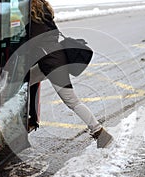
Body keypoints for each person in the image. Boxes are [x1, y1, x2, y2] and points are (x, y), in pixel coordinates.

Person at [26, 0, 112, 148]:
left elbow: (30, 42)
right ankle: (30, 120)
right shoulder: (44, 12)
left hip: (52, 65)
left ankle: (99, 132)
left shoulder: (34, 21)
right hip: (52, 60)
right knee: (23, 84)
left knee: (72, 101)